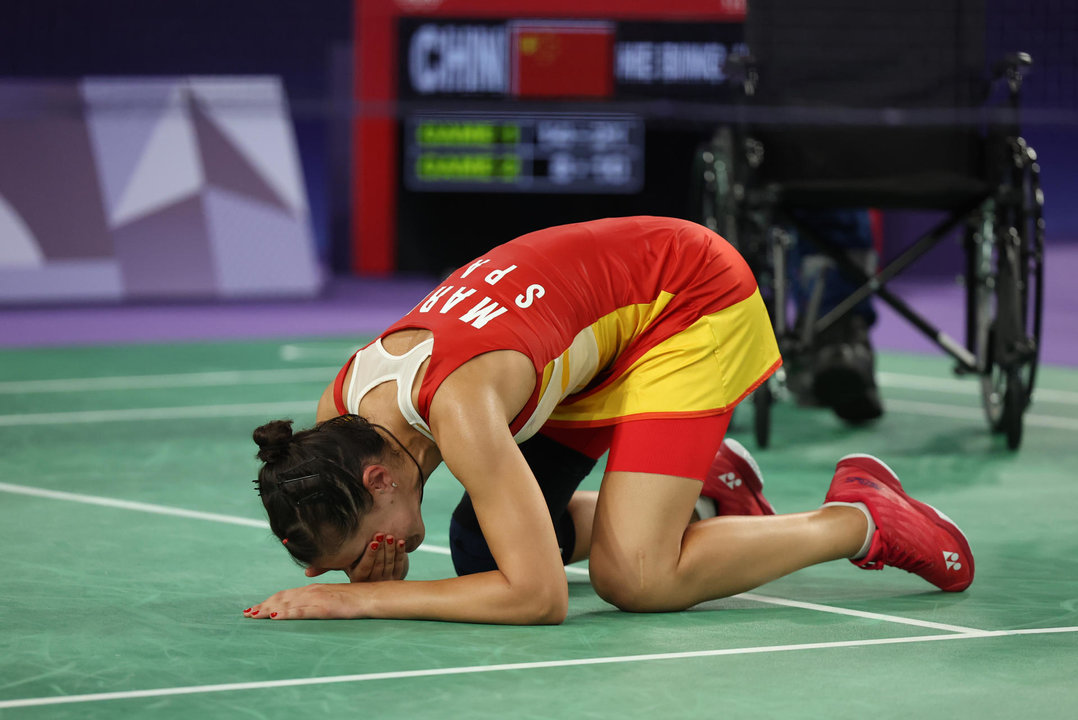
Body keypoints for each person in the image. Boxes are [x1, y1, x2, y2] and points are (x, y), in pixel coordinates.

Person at [244, 216, 972, 624]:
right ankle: (707, 490)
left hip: (684, 300)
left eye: (365, 547)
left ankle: (861, 519)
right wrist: (361, 576)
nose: (377, 558)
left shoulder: (458, 410)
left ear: (377, 478)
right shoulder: (336, 416)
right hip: (584, 358)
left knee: (638, 578)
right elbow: (504, 573)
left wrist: (365, 599)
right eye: (354, 566)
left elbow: (540, 599)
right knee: (482, 557)